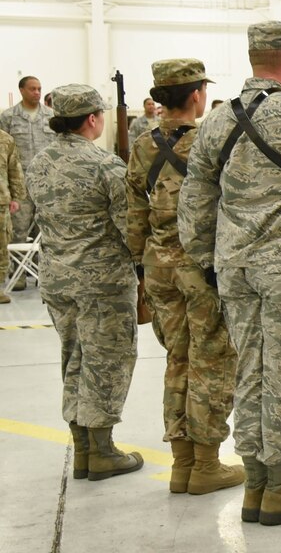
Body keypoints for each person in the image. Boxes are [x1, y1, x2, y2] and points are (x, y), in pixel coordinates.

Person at [179, 21, 281, 526]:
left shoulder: (215, 120)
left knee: (250, 369)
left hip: (234, 264)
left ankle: (255, 483)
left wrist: (204, 256)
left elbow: (196, 195)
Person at [125, 59, 242, 495]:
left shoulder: (142, 145)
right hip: (202, 267)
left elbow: (134, 212)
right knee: (211, 360)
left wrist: (141, 267)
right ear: (196, 95)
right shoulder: (212, 140)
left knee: (178, 359)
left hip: (159, 268)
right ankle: (207, 464)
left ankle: (182, 464)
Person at [26, 84, 142, 482]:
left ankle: (83, 450)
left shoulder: (39, 162)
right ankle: (103, 451)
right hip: (103, 281)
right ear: (92, 119)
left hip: (57, 278)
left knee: (74, 358)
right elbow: (131, 227)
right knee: (107, 360)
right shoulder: (104, 164)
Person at [0, 75, 53, 287]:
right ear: (21, 90)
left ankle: (44, 276)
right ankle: (19, 277)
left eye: (40, 88)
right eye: (32, 89)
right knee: (19, 231)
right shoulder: (9, 118)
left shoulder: (51, 116)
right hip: (20, 184)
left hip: (45, 183)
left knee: (45, 231)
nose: (37, 92)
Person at [0, 128, 25, 304]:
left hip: (1, 202)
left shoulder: (6, 140)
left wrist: (16, 197)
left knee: (1, 246)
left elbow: (14, 170)